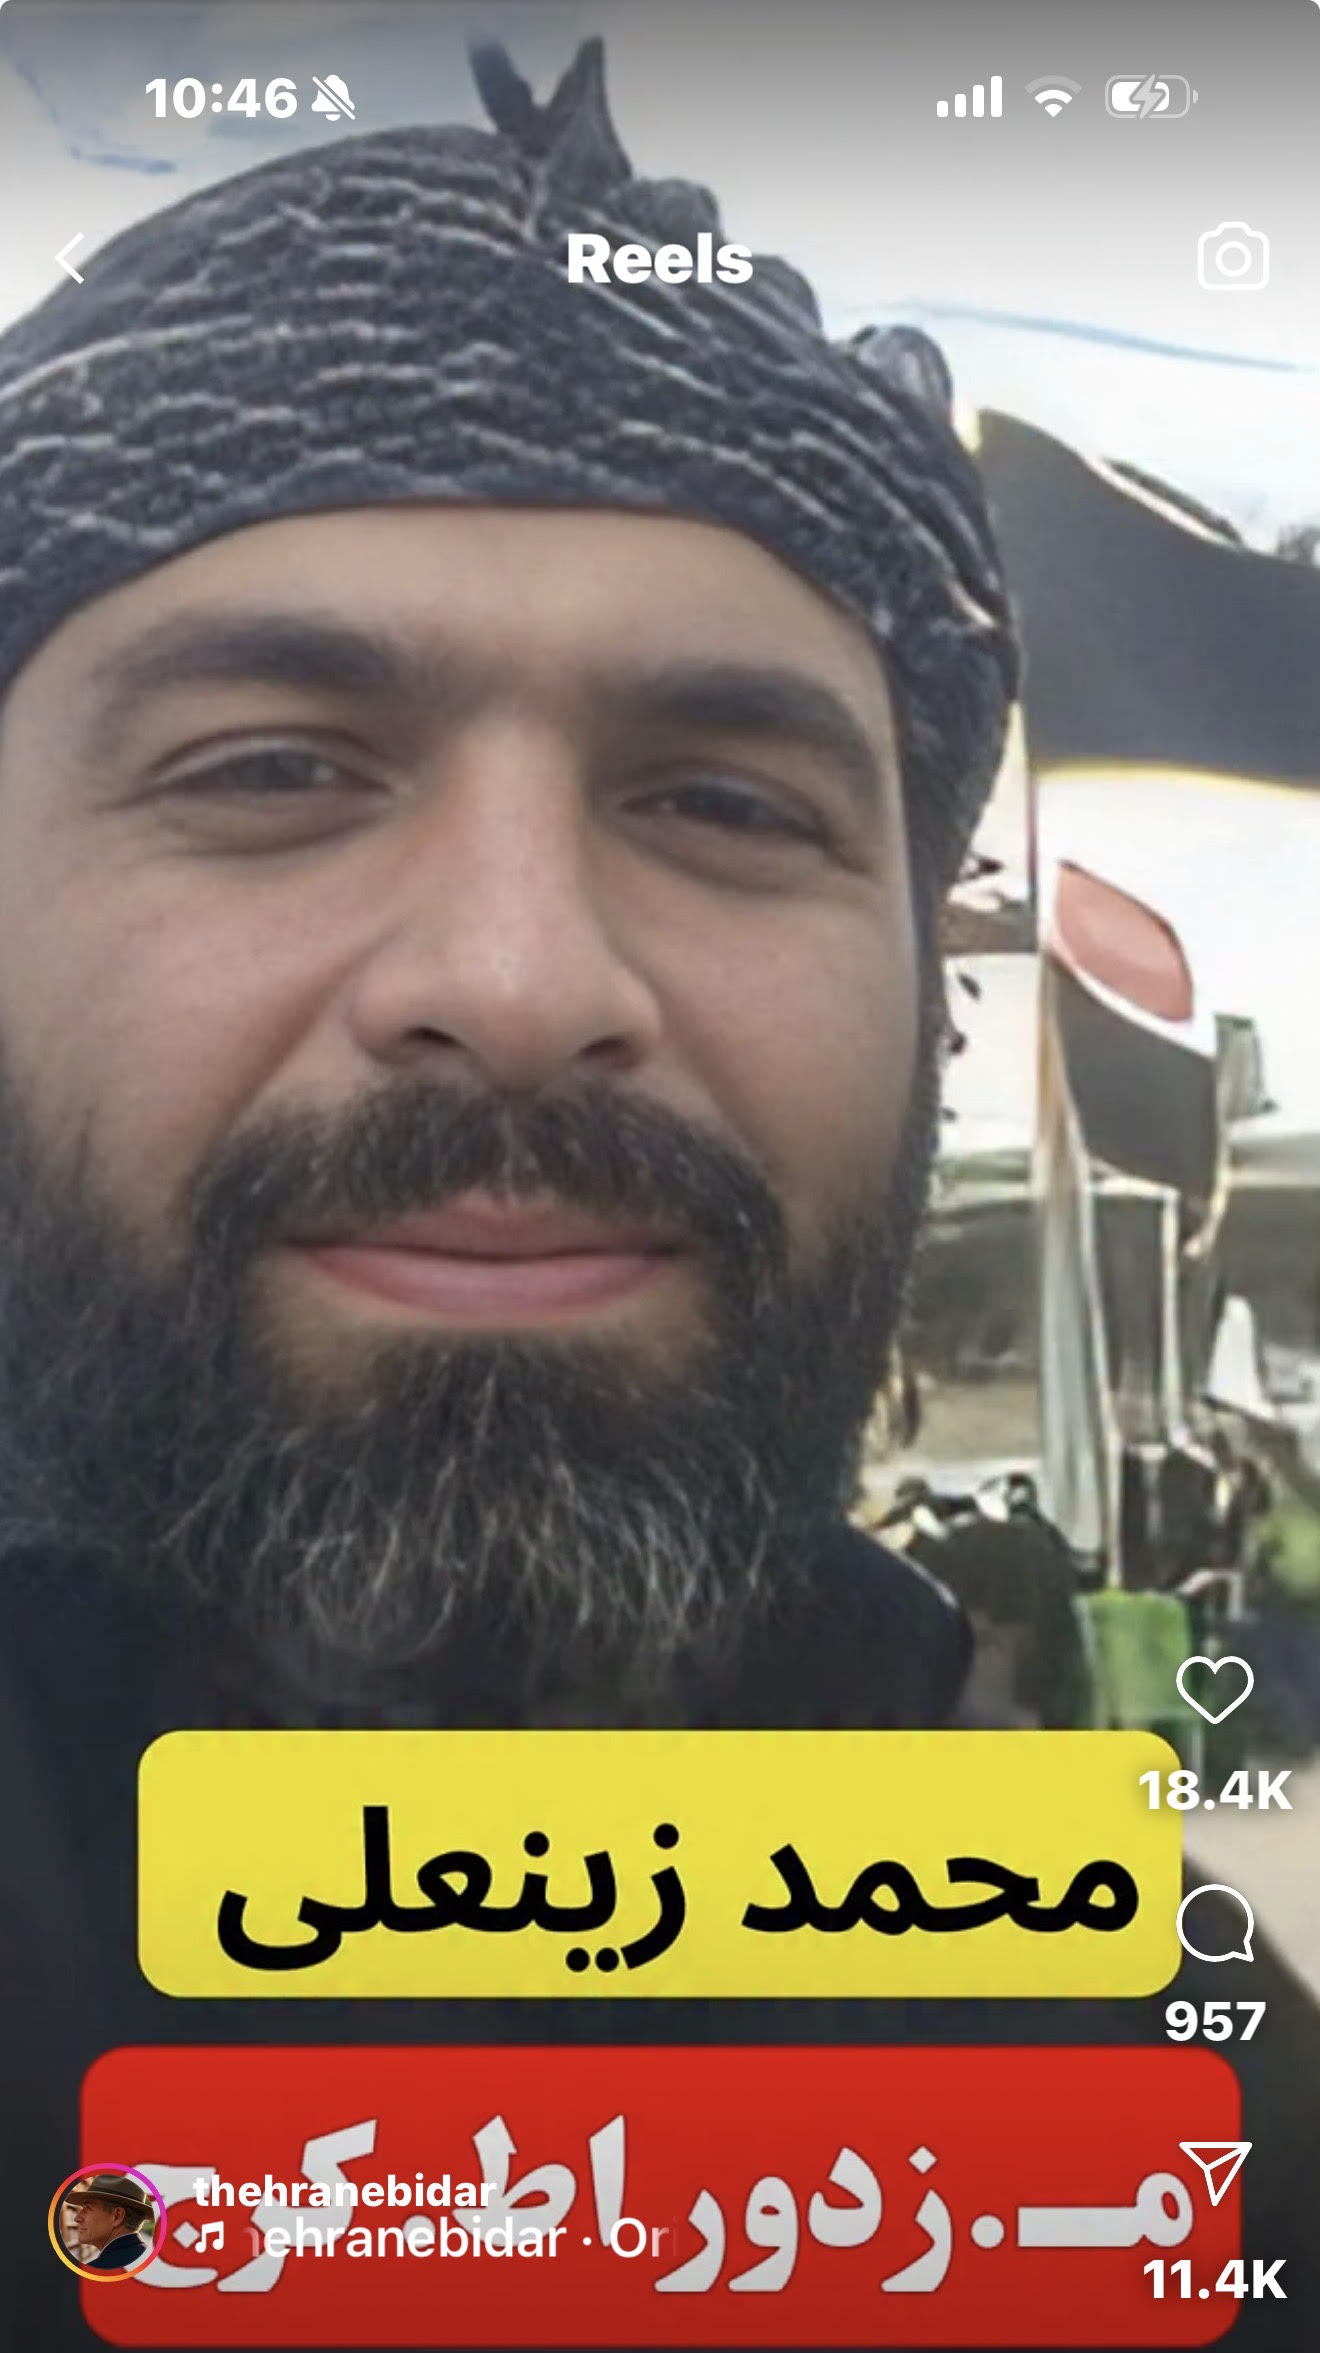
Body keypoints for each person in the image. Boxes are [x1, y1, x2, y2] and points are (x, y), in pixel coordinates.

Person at [0, 41, 1316, 2351]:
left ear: (919, 982)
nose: (521, 986)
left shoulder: (1154, 2063)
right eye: (275, 768)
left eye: (723, 804)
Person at [59, 2175, 155, 2273]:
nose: (77, 2218)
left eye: (88, 2208)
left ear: (117, 2216)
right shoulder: (148, 2258)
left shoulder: (95, 2272)